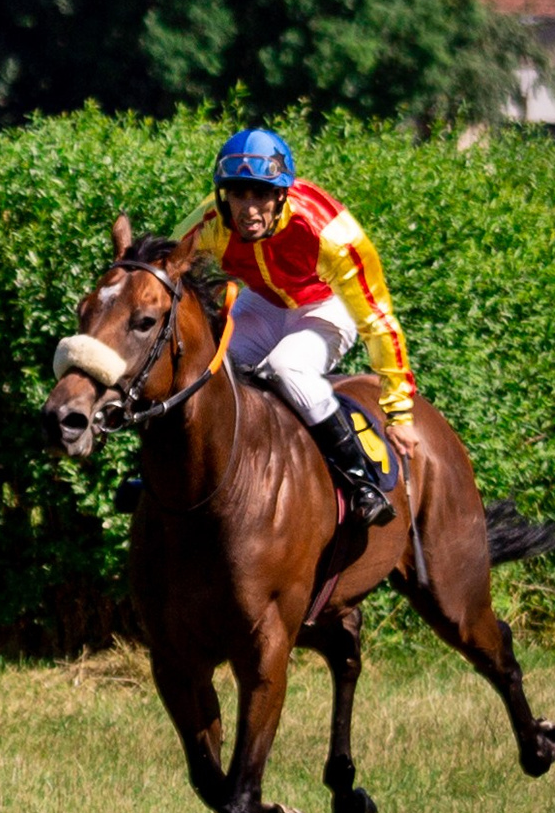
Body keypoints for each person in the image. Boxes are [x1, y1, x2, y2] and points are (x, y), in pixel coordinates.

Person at [176, 128, 416, 527]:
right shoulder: (211, 222)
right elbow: (166, 270)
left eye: (261, 194)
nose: (249, 209)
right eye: (238, 193)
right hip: (265, 300)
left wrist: (400, 411)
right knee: (207, 366)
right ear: (223, 196)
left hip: (326, 304)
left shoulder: (329, 233)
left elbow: (378, 320)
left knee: (288, 366)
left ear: (282, 195)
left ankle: (360, 478)